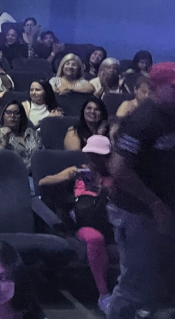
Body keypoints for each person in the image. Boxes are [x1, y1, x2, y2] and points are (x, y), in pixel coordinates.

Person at [106, 63, 175, 319]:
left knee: (158, 281)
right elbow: (119, 169)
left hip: (162, 209)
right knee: (134, 282)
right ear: (155, 88)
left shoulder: (171, 114)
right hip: (134, 210)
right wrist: (155, 205)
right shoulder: (141, 120)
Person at [38, 134, 114, 311]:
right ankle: (104, 294)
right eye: (93, 155)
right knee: (95, 239)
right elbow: (43, 183)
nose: (96, 159)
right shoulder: (79, 173)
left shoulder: (116, 176)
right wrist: (65, 176)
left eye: (100, 156)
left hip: (112, 222)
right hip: (85, 222)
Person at [0, 101, 42, 170]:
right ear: (2, 115)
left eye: (16, 113)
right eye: (8, 113)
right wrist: (4, 142)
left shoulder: (31, 133)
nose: (12, 116)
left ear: (21, 116)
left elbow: (42, 153)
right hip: (13, 173)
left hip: (37, 171)